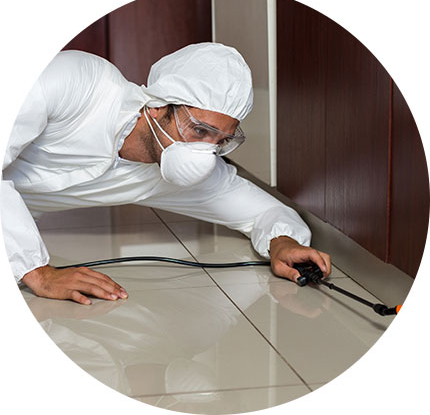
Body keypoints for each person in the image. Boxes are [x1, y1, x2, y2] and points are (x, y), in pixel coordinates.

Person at [1, 43, 331, 305]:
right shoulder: (75, 84)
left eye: (221, 140)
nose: (205, 152)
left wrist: (283, 243)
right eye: (200, 130)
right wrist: (37, 272)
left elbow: (264, 212)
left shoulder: (178, 170)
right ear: (159, 105)